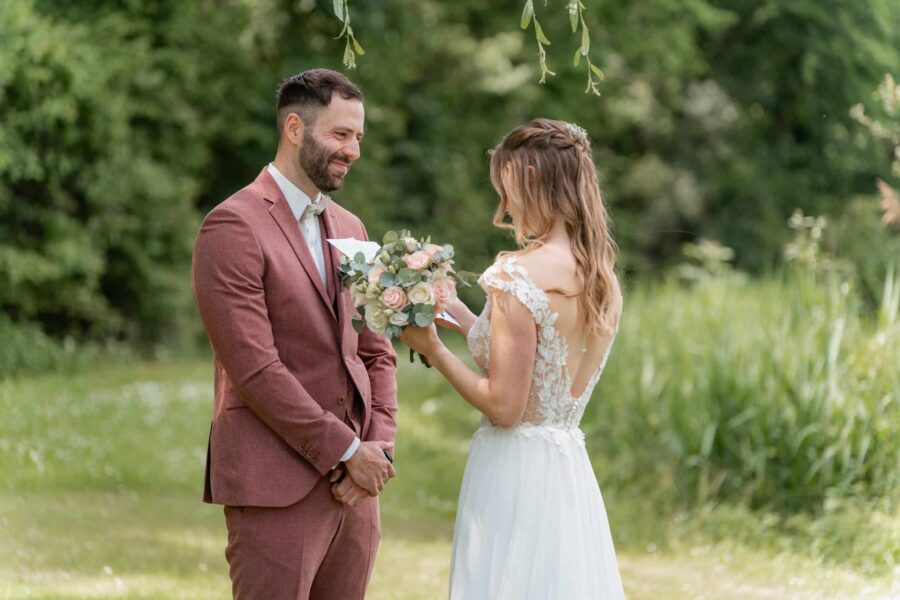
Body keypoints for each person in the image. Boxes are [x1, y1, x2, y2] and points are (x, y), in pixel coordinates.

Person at [191, 68, 397, 600]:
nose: (353, 150)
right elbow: (255, 369)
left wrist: (378, 446)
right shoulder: (232, 226)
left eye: (358, 137)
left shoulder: (352, 228)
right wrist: (345, 450)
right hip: (275, 484)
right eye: (340, 134)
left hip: (356, 492)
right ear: (294, 128)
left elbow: (377, 352)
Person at [401, 118, 627, 599]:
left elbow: (506, 407)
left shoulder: (517, 275)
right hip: (566, 471)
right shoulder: (600, 278)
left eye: (505, 190)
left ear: (531, 180)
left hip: (512, 473)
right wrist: (461, 314)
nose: (503, 207)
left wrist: (433, 349)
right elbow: (533, 358)